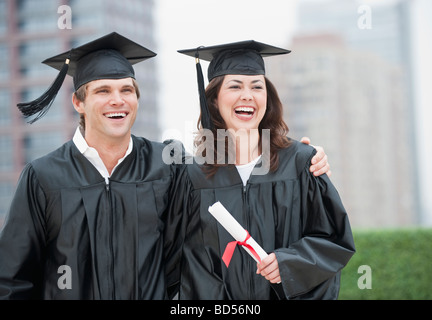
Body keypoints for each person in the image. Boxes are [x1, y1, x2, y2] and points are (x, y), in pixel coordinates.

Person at [0, 33, 329, 300]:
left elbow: (217, 224)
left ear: (137, 99)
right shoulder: (44, 177)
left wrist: (295, 157)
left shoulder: (169, 166)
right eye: (103, 91)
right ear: (78, 102)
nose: (118, 100)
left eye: (126, 90)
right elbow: (13, 279)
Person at [165, 40, 355, 300]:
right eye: (235, 86)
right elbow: (180, 262)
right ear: (214, 100)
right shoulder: (192, 177)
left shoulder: (301, 163)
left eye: (257, 86)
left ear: (268, 97)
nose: (247, 95)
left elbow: (335, 241)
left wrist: (290, 264)